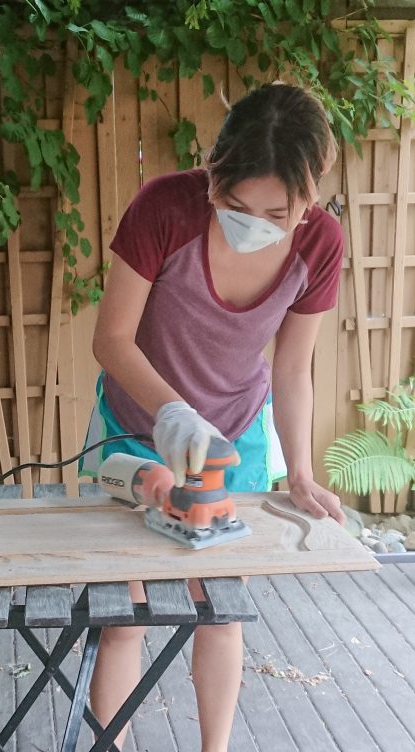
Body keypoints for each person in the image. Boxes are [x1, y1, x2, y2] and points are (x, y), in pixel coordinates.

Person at [80, 81, 346, 752]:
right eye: (232, 202)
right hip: (134, 431)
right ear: (212, 170)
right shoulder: (163, 207)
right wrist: (170, 412)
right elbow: (111, 339)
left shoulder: (321, 245)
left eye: (277, 211)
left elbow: (291, 369)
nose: (251, 220)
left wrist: (302, 472)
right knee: (123, 618)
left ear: (312, 193)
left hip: (236, 438)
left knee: (219, 611)